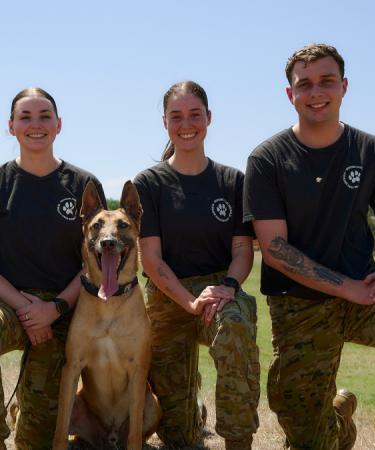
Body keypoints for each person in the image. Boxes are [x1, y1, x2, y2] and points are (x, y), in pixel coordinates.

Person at [243, 43, 375, 450]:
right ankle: (337, 421)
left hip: (366, 292)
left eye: (327, 81)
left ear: (344, 86)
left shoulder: (371, 150)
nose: (316, 92)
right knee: (304, 432)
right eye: (305, 84)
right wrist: (344, 287)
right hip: (298, 303)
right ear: (290, 94)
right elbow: (275, 247)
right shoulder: (267, 158)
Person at [0, 87, 105, 450]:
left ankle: (29, 415)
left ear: (59, 124)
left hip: (66, 310)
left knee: (39, 439)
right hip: (4, 298)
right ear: (11, 126)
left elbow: (93, 263)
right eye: (26, 117)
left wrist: (55, 308)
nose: (36, 125)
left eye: (45, 116)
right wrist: (25, 306)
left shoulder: (83, 185)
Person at [133, 81, 259, 449]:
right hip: (166, 296)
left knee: (234, 332)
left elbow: (242, 249)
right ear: (165, 123)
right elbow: (151, 259)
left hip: (221, 288)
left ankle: (238, 440)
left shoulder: (233, 181)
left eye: (194, 114)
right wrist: (188, 303)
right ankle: (191, 415)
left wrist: (229, 287)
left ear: (209, 118)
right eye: (177, 116)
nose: (186, 124)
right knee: (179, 435)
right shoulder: (149, 183)